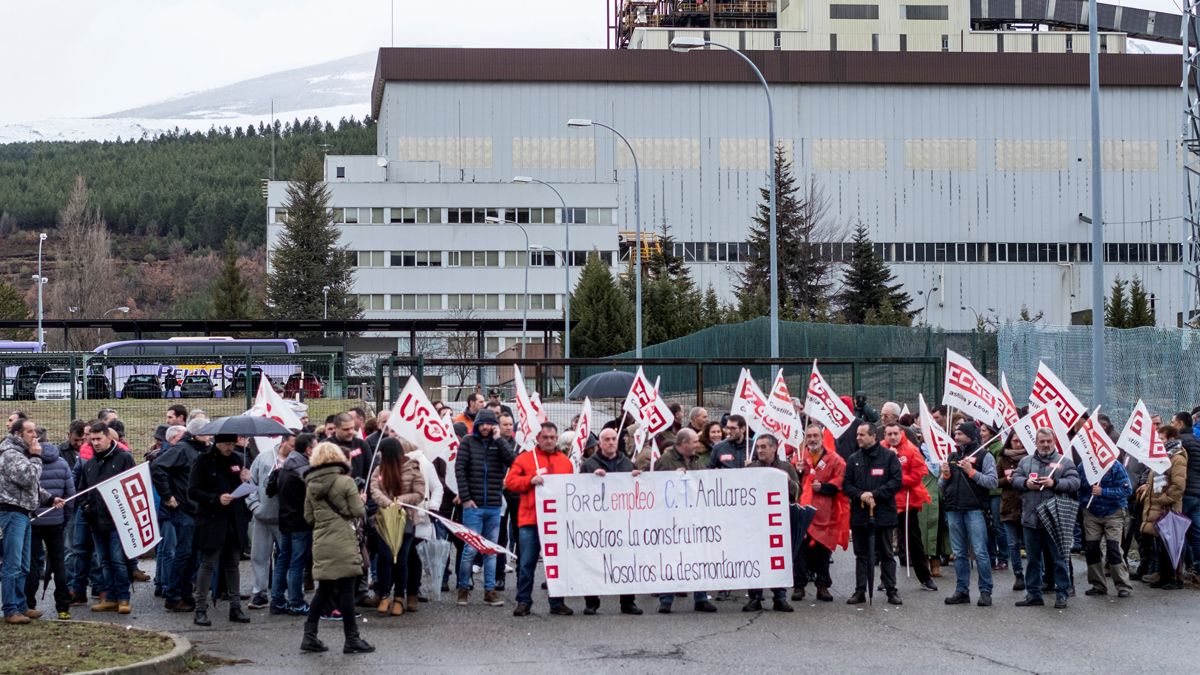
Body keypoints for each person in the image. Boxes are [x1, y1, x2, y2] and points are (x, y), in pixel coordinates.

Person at [302, 442, 374, 654]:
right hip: (343, 540)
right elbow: (358, 511)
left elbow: (308, 517)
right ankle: (352, 638)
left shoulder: (310, 485)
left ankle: (309, 635)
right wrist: (361, 500)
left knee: (323, 590)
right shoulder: (345, 481)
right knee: (346, 590)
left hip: (322, 540)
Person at [505, 422, 575, 617]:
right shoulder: (525, 459)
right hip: (531, 520)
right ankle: (523, 601)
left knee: (557, 563)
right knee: (527, 563)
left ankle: (557, 601)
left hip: (557, 521)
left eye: (553, 437)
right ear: (538, 438)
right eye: (546, 437)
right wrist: (529, 480)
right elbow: (510, 482)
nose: (550, 441)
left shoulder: (565, 462)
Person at [1, 418, 66, 624]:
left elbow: (29, 487)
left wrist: (48, 498)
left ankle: (21, 606)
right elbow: (29, 478)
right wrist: (37, 458)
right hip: (12, 512)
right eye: (30, 432)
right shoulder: (11, 454)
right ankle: (10, 609)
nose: (35, 436)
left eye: (36, 432)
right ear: (19, 434)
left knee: (23, 564)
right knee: (12, 564)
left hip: (24, 512)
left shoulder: (20, 454)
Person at [651, 428, 719, 613]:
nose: (697, 444)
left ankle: (701, 597)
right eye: (694, 441)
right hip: (672, 520)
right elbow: (656, 488)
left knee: (698, 557)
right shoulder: (665, 461)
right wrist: (672, 478)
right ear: (683, 443)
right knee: (671, 559)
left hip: (695, 518)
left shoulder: (697, 461)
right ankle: (666, 599)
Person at [1013, 428, 1081, 609]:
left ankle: (1062, 594)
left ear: (1054, 441)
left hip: (1054, 519)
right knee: (1033, 559)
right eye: (1042, 441)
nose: (1045, 445)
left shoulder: (1064, 462)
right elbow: (1015, 479)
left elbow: (1075, 483)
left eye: (1048, 441)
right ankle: (1033, 594)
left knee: (1059, 559)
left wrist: (1055, 483)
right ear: (1036, 442)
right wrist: (1025, 483)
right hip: (1030, 519)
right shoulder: (1025, 461)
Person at [188, 433, 252, 626]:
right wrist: (215, 498)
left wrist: (245, 480)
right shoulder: (204, 460)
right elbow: (193, 491)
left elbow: (241, 490)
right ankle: (200, 608)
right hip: (212, 519)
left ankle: (235, 607)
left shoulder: (237, 459)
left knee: (233, 563)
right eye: (226, 444)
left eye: (233, 444)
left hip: (233, 520)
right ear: (218, 443)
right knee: (208, 563)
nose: (230, 447)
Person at [454, 409, 515, 606]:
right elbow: (460, 469)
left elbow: (513, 461)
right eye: (483, 424)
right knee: (470, 549)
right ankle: (463, 587)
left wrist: (499, 440)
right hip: (473, 505)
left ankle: (490, 591)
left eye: (489, 424)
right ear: (478, 424)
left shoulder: (499, 444)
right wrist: (465, 497)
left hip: (494, 505)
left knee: (490, 550)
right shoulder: (468, 443)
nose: (486, 428)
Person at [579, 427, 643, 616]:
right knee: (594, 561)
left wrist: (637, 479)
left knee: (625, 561)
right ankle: (591, 602)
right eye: (606, 439)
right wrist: (592, 479)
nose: (611, 442)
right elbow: (580, 491)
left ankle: (627, 601)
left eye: (614, 439)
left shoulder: (627, 464)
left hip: (622, 522)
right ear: (600, 443)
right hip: (597, 523)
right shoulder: (589, 465)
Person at [76, 421, 135, 615]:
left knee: (117, 560)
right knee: (104, 561)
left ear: (109, 438)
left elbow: (132, 485)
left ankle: (123, 597)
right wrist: (86, 505)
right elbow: (83, 489)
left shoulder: (124, 458)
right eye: (92, 439)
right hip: (95, 520)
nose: (95, 443)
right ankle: (109, 597)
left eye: (98, 439)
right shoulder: (90, 464)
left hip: (117, 520)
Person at [150, 417, 208, 612]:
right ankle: (173, 594)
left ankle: (184, 593)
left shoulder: (199, 450)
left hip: (196, 508)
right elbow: (157, 467)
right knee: (184, 552)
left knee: (193, 554)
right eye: (208, 433)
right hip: (183, 508)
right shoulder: (182, 449)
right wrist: (167, 495)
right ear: (198, 434)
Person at [842, 423, 903, 605]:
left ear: (873, 436)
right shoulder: (854, 459)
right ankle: (860, 590)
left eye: (862, 435)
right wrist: (861, 495)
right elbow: (847, 485)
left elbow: (896, 481)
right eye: (857, 435)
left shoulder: (889, 457)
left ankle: (891, 590)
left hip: (883, 513)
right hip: (860, 514)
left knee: (886, 553)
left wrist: (874, 494)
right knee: (861, 554)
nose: (858, 438)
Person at [939, 422, 998, 607]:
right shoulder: (953, 456)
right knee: (958, 553)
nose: (956, 437)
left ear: (971, 435)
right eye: (955, 433)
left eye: (960, 433)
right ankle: (962, 590)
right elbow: (941, 486)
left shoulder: (984, 455)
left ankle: (986, 591)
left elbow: (992, 482)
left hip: (975, 509)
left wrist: (972, 472)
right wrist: (945, 475)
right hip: (954, 509)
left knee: (980, 552)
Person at [369, 437, 426, 616]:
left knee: (401, 560)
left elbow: (419, 493)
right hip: (384, 519)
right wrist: (387, 503)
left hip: (406, 519)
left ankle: (400, 597)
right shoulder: (380, 469)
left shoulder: (413, 468)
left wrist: (400, 501)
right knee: (385, 558)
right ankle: (385, 595)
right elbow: (374, 489)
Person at [743, 434, 799, 613]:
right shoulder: (751, 468)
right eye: (758, 447)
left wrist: (788, 481)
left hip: (778, 522)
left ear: (774, 448)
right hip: (756, 522)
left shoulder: (786, 467)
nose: (759, 450)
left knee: (779, 558)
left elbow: (798, 492)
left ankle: (780, 597)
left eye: (763, 447)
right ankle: (755, 597)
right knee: (756, 556)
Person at [25, 435, 75, 620]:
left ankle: (29, 604)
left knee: (31, 564)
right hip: (56, 522)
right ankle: (63, 607)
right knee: (59, 563)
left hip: (33, 520)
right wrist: (64, 518)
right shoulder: (62, 463)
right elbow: (70, 494)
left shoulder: (28, 463)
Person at [882, 422, 936, 591]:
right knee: (884, 543)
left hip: (907, 502)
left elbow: (919, 473)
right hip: (887, 501)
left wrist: (899, 478)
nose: (892, 437)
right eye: (889, 434)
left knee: (914, 542)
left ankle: (925, 578)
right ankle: (885, 580)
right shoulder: (880, 449)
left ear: (901, 433)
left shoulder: (911, 450)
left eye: (895, 434)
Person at [796, 424, 847, 602]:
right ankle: (799, 586)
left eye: (815, 436)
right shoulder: (799, 457)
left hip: (825, 512)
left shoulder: (835, 459)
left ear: (821, 437)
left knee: (822, 552)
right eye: (808, 436)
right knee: (800, 551)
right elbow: (791, 482)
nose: (812, 439)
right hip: (803, 511)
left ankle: (823, 585)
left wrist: (824, 487)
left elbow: (840, 480)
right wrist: (798, 471)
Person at [268, 433, 316, 616]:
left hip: (285, 519)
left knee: (282, 560)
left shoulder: (285, 466)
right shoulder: (303, 469)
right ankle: (296, 601)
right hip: (300, 521)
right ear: (309, 449)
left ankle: (278, 600)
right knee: (297, 563)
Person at [245, 434, 294, 610]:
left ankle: (287, 593)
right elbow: (251, 481)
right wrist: (254, 505)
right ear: (283, 442)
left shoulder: (296, 461)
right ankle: (259, 592)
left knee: (287, 556)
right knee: (259, 555)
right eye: (292, 445)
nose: (295, 449)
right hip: (262, 516)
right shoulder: (264, 458)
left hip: (285, 518)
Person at [1138, 424, 1189, 590]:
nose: (1159, 442)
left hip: (1169, 508)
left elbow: (1178, 487)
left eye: (1161, 439)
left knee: (1171, 544)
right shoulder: (1163, 456)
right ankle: (1164, 576)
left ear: (1171, 439)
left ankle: (1174, 579)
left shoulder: (1178, 458)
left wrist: (1161, 500)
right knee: (1161, 544)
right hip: (1159, 507)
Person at [1078, 454, 1133, 597]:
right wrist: (1084, 503)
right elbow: (1079, 488)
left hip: (1113, 512)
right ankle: (1098, 585)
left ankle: (1123, 585)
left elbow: (1127, 490)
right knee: (1092, 548)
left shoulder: (1115, 466)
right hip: (1091, 512)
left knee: (1113, 548)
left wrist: (1103, 492)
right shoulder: (1082, 467)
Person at [996, 431, 1030, 591]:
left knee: (1031, 544)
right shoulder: (1003, 459)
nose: (1018, 444)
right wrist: (1006, 480)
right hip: (1009, 506)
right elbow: (994, 480)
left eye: (1021, 441)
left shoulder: (1031, 458)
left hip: (1028, 506)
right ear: (1009, 442)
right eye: (1015, 441)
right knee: (1013, 544)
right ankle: (1018, 575)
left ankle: (1034, 575)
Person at [1173, 411, 1200, 579]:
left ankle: (1178, 571)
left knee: (1178, 532)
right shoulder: (1197, 441)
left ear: (1181, 424)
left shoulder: (1180, 443)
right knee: (1197, 534)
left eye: (1173, 422)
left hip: (1184, 492)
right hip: (1197, 494)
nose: (1172, 425)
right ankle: (1197, 570)